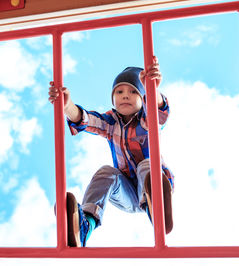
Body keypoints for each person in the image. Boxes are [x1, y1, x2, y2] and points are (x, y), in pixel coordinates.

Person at [48, 56, 174, 247]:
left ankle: (156, 204)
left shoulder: (145, 120)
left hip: (150, 184)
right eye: (120, 91)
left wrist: (153, 89)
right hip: (127, 194)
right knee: (106, 172)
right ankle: (84, 225)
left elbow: (159, 114)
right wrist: (67, 106)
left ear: (143, 98)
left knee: (145, 164)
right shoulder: (111, 122)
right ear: (113, 98)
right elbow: (87, 120)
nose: (125, 95)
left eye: (133, 92)